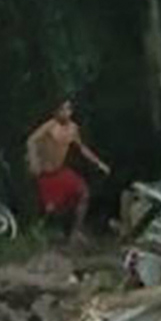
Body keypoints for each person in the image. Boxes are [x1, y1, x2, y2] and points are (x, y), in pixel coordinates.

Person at [26, 97, 109, 231]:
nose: (65, 112)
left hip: (60, 171)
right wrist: (34, 160)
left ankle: (75, 233)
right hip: (46, 173)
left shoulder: (73, 128)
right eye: (62, 109)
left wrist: (99, 163)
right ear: (56, 111)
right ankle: (39, 229)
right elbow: (31, 141)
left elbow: (82, 148)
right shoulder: (50, 126)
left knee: (83, 193)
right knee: (51, 209)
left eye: (68, 109)